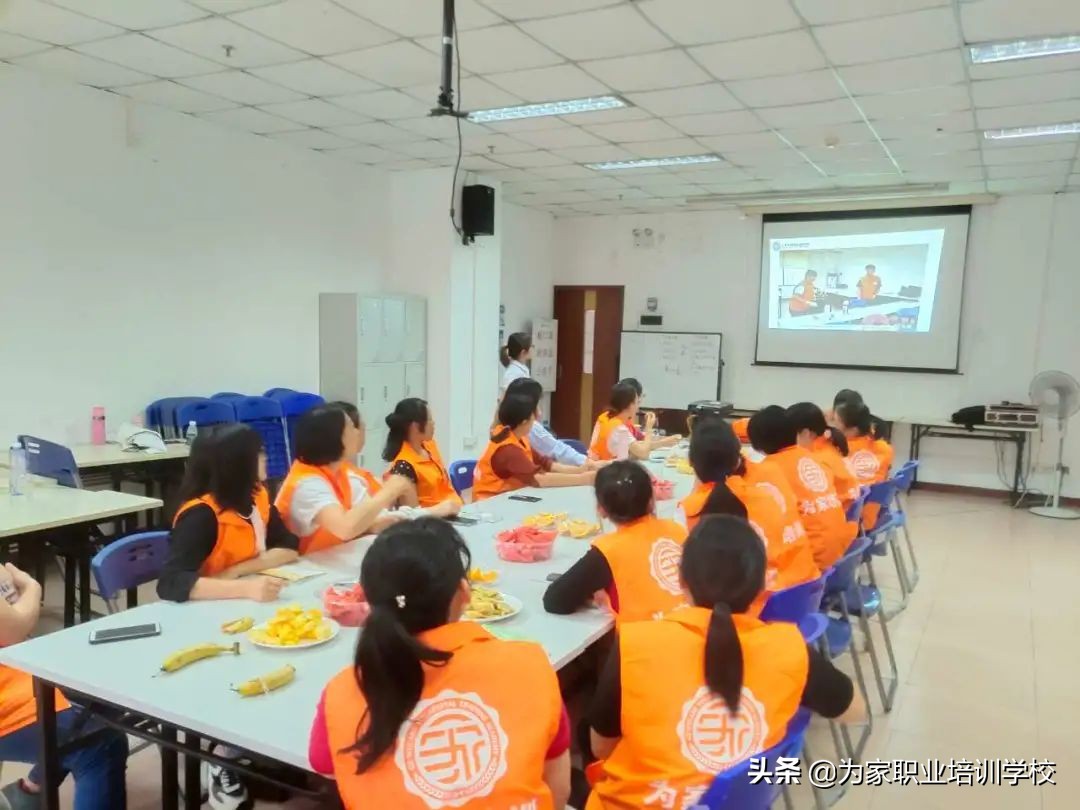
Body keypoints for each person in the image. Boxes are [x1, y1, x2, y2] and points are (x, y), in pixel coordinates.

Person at [583, 515, 865, 808]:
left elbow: (600, 747)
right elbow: (855, 710)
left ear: (680, 580)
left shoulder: (637, 644)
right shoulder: (790, 649)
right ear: (761, 587)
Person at [309, 518, 571, 809]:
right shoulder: (529, 664)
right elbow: (558, 791)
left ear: (369, 601)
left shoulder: (342, 691)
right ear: (464, 592)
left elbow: (325, 765)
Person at [0, 565, 129, 810]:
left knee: (105, 699)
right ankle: (32, 792)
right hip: (9, 690)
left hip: (17, 673)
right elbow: (13, 630)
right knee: (101, 743)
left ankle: (31, 792)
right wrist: (32, 588)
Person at [677, 418, 818, 599]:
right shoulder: (765, 497)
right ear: (738, 459)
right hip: (804, 594)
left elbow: (683, 577)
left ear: (691, 462)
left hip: (757, 606)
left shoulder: (689, 509)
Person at [158, 424, 299, 603]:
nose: (266, 458)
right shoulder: (201, 515)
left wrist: (237, 571)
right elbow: (171, 583)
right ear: (235, 463)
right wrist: (246, 588)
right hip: (205, 604)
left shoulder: (256, 496)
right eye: (259, 453)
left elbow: (289, 547)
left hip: (241, 594)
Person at [543, 461, 688, 623]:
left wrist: (593, 590)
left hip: (649, 637)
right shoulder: (678, 530)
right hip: (698, 630)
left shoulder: (608, 550)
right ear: (651, 500)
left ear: (601, 509)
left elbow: (555, 601)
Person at [275, 404, 413, 554]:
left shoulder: (339, 472)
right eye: (351, 427)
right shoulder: (307, 483)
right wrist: (390, 491)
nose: (358, 432)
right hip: (307, 562)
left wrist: (376, 524)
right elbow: (345, 528)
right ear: (334, 438)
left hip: (331, 556)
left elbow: (357, 519)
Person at [747, 406, 856, 569]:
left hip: (812, 561)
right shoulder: (817, 458)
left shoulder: (768, 470)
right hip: (838, 554)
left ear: (758, 446)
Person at [474, 393, 596, 500]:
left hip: (510, 497)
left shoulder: (517, 437)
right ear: (524, 421)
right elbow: (539, 479)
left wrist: (579, 470)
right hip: (491, 503)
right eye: (534, 414)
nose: (539, 415)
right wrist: (583, 479)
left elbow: (545, 464)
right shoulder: (508, 449)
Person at [382, 398, 463, 514]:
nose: (433, 423)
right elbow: (413, 516)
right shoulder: (404, 466)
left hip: (456, 510)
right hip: (437, 518)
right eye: (429, 420)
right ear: (415, 426)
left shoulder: (429, 445)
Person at [506, 378, 596, 468]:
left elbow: (548, 463)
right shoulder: (527, 431)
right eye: (536, 405)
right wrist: (587, 468)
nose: (539, 413)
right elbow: (556, 451)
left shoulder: (509, 429)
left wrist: (586, 467)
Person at [787, 401, 860, 508]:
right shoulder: (828, 445)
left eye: (790, 434)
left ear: (806, 433)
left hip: (840, 507)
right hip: (845, 506)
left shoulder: (816, 457)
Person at [834, 401, 894, 529]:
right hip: (869, 518)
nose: (833, 426)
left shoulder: (838, 450)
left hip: (848, 521)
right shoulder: (885, 448)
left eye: (836, 421)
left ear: (853, 429)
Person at [588, 381, 680, 461]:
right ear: (629, 405)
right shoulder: (619, 429)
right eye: (637, 402)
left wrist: (663, 443)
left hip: (597, 463)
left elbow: (634, 449)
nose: (638, 407)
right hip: (604, 469)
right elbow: (644, 454)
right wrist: (649, 429)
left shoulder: (605, 417)